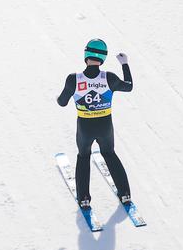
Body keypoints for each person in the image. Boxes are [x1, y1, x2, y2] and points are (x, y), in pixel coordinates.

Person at [57, 38, 133, 209]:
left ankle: (84, 198)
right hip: (105, 125)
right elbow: (128, 86)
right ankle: (125, 194)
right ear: (103, 58)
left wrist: (59, 97)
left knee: (83, 157)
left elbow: (62, 102)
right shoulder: (109, 78)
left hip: (85, 127)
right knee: (109, 154)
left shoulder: (73, 79)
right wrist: (124, 64)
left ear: (86, 54)